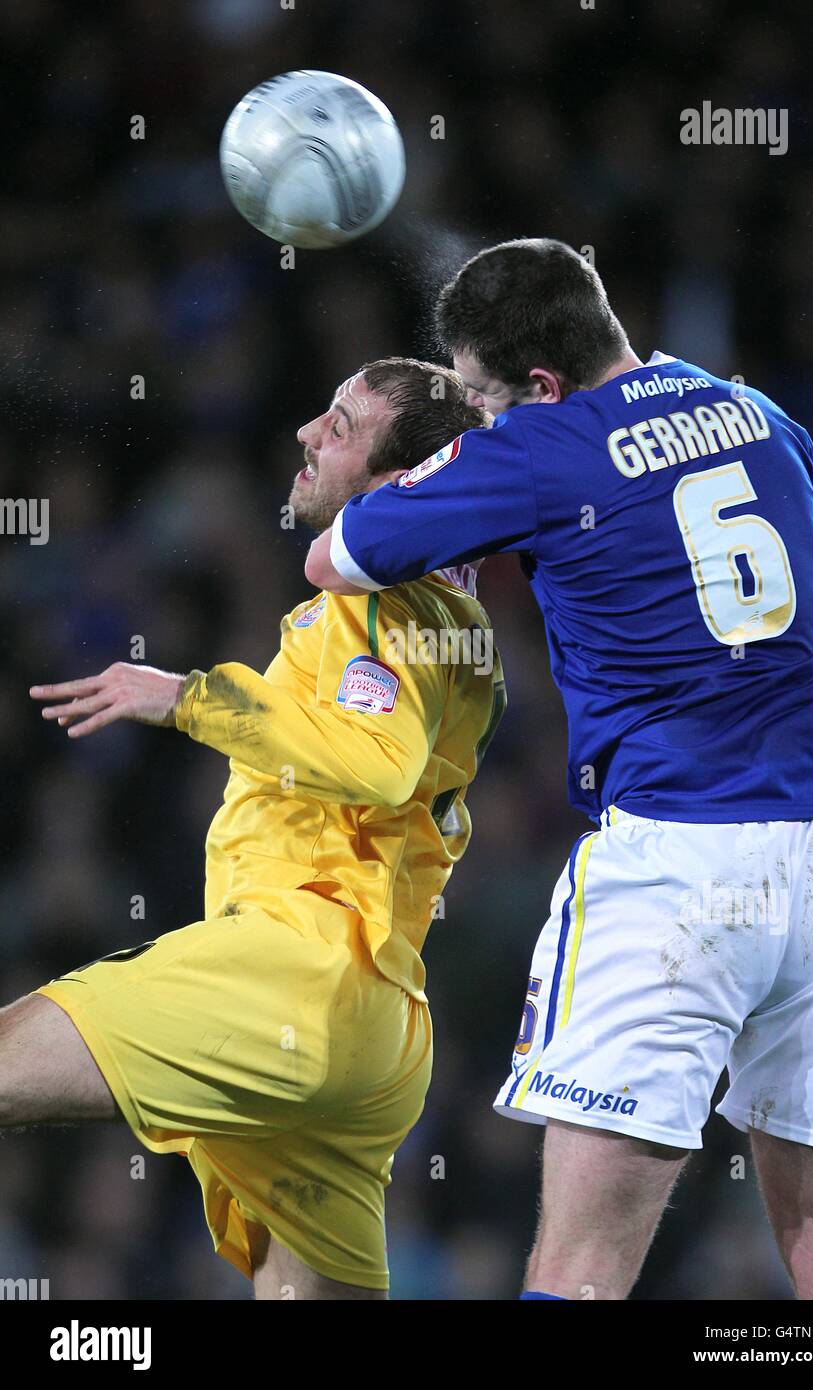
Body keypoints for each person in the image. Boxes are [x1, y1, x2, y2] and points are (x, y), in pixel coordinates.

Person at [306, 240, 813, 1302]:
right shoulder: (762, 416)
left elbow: (337, 554)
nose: (475, 415)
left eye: (479, 395)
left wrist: (460, 469)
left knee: (578, 1272)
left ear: (539, 385)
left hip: (672, 863)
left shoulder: (540, 446)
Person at [13, 357, 505, 1300]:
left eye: (341, 424)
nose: (306, 434)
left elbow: (377, 759)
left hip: (296, 973)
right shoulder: (459, 621)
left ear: (400, 482)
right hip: (380, 1028)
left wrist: (188, 698)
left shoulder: (387, 598)